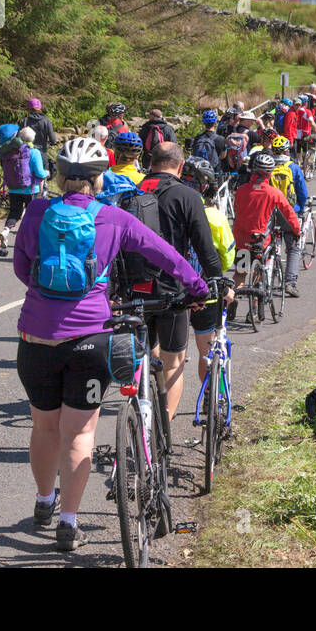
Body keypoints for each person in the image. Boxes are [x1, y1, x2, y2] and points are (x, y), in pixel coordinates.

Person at [13, 137, 206, 552]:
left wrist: (46, 297)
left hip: (35, 336)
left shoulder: (36, 210)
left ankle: (45, 502)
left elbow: (21, 267)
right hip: (91, 337)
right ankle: (69, 523)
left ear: (61, 177)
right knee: (80, 431)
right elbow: (167, 255)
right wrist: (197, 286)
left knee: (44, 426)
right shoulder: (113, 218)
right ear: (100, 179)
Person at [123, 143, 224, 423]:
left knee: (147, 353)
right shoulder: (187, 196)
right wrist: (217, 282)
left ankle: (143, 404)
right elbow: (205, 249)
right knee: (174, 362)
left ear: (150, 162)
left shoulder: (130, 192)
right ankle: (159, 431)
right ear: (180, 167)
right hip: (172, 292)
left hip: (133, 291)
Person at [176, 156, 236, 407]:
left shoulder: (167, 205)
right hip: (205, 289)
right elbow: (228, 255)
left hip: (174, 290)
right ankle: (212, 399)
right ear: (206, 185)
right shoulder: (212, 215)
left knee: (172, 355)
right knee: (206, 350)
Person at [232, 152, 302, 298]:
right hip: (261, 241)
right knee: (259, 274)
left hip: (241, 240)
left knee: (240, 273)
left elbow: (236, 210)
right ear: (270, 173)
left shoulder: (241, 190)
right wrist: (296, 230)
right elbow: (289, 215)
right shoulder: (274, 193)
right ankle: (257, 311)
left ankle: (232, 300)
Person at [0, 123, 49, 244]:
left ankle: (5, 231)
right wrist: (47, 172)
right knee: (32, 215)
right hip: (31, 189)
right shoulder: (33, 152)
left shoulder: (9, 152)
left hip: (13, 188)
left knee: (14, 212)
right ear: (33, 139)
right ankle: (29, 239)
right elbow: (40, 173)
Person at [269, 136, 308, 297]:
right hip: (290, 213)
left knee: (269, 247)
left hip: (271, 213)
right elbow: (302, 192)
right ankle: (290, 283)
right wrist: (301, 207)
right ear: (287, 150)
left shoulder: (267, 166)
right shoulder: (293, 167)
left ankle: (268, 277)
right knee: (293, 249)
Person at [21, 98, 58, 166]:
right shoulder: (47, 121)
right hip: (42, 152)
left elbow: (19, 137)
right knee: (43, 173)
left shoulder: (24, 121)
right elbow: (53, 139)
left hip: (28, 152)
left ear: (29, 108)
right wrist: (50, 144)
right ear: (40, 108)